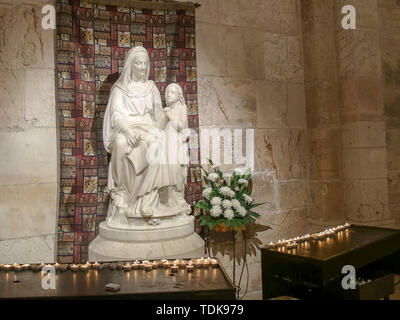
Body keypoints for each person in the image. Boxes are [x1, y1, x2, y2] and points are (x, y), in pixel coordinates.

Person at [103, 46, 169, 227]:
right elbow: (116, 115)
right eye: (138, 63)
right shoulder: (120, 89)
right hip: (127, 129)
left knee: (157, 144)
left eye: (145, 63)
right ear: (130, 65)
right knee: (121, 143)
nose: (142, 67)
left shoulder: (151, 88)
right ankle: (123, 201)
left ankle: (148, 202)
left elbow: (158, 116)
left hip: (148, 130)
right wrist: (128, 131)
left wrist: (173, 112)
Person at [163, 83, 191, 214]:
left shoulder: (181, 107)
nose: (169, 94)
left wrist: (169, 116)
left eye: (172, 92)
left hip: (177, 144)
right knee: (167, 171)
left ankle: (178, 199)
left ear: (179, 95)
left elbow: (181, 126)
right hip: (166, 144)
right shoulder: (166, 110)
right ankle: (168, 201)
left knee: (176, 171)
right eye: (167, 92)